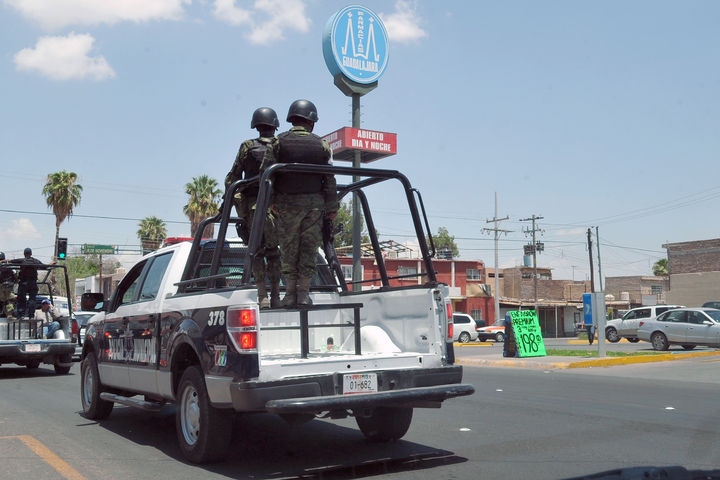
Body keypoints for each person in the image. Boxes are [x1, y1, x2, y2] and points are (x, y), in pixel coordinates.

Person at [261, 99, 339, 307]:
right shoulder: (322, 145)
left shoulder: (278, 142)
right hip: (314, 207)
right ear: (311, 122)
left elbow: (265, 175)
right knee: (309, 249)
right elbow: (329, 178)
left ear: (291, 119)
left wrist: (271, 201)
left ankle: (289, 295)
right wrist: (332, 207)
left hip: (286, 205)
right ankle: (303, 294)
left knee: (289, 249)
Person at [225, 107, 282, 309]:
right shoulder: (282, 145)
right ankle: (276, 295)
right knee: (274, 252)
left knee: (256, 251)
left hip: (253, 207)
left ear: (256, 126)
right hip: (277, 207)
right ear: (275, 125)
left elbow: (232, 178)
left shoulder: (247, 146)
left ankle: (262, 296)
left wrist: (236, 203)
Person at [7, 248, 43, 319]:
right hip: (33, 283)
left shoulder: (22, 260)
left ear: (24, 254)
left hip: (23, 282)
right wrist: (51, 264)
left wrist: (5, 260)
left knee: (21, 298)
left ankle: (21, 314)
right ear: (31, 254)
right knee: (32, 299)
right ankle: (31, 315)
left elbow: (11, 261)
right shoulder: (35, 261)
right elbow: (44, 266)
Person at [0, 252, 17, 318]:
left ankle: (6, 313)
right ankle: (9, 315)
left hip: (1, 287)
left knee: (5, 300)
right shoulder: (10, 266)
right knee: (10, 300)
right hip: (9, 287)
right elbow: (15, 276)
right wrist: (15, 281)